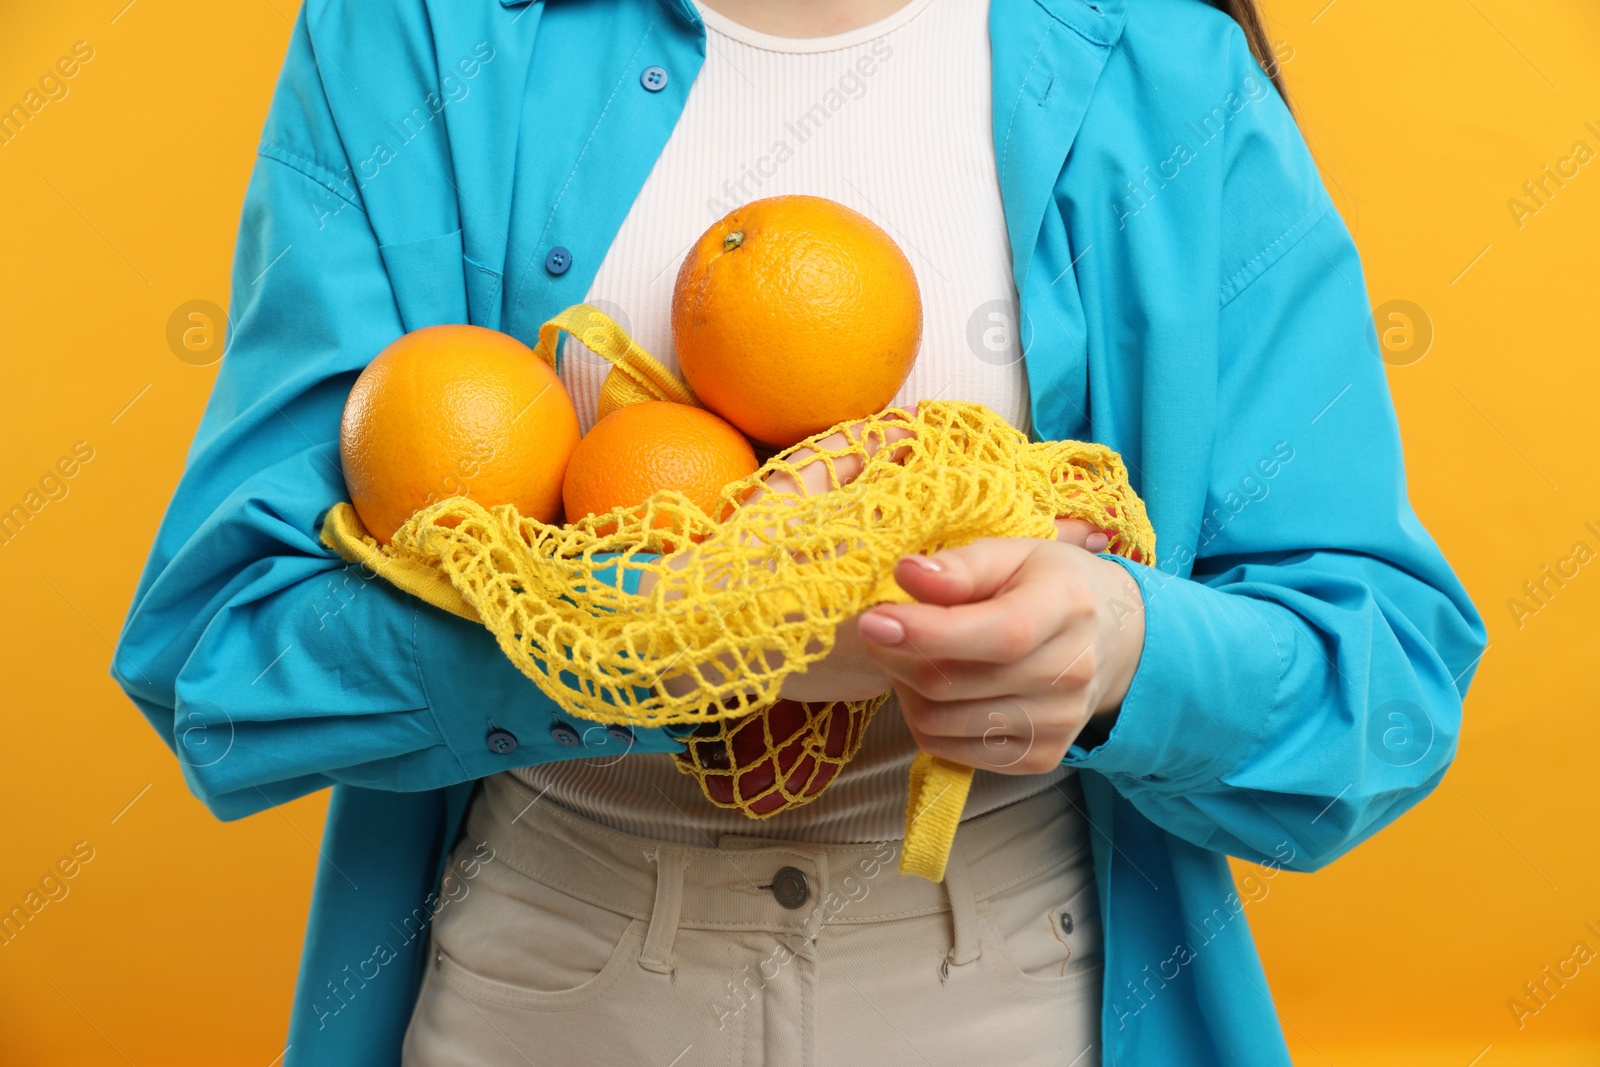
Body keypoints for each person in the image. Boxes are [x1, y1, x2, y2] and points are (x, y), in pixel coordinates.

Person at [110, 0, 1487, 1063]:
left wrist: (1124, 650)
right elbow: (228, 647)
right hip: (553, 978)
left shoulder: (1164, 69)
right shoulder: (420, 38)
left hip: (1014, 981)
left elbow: (1384, 674)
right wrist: (676, 635)